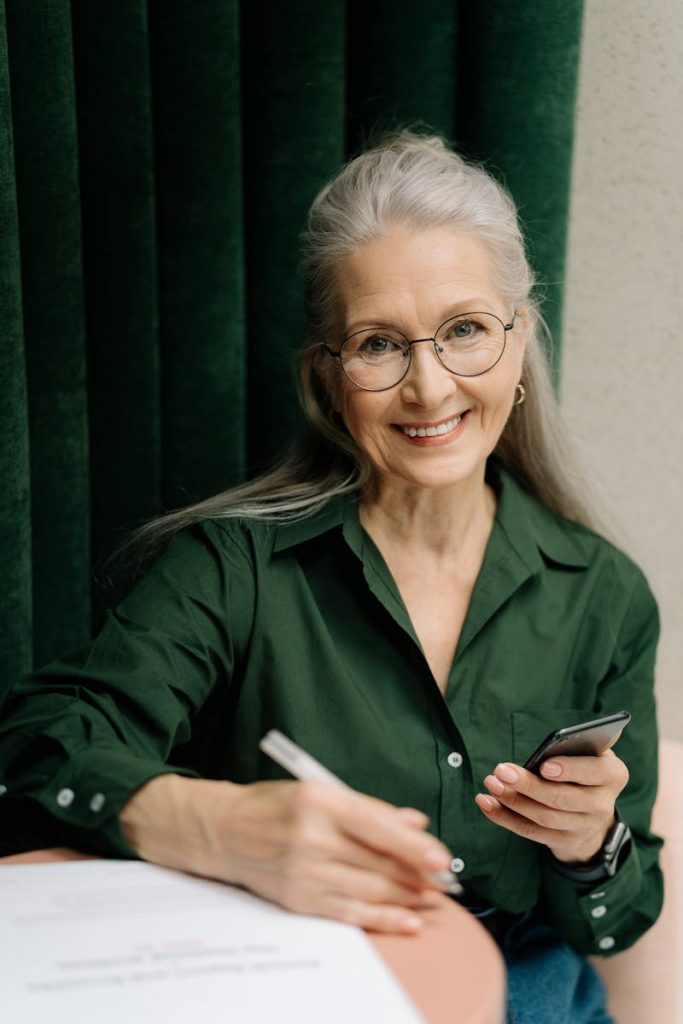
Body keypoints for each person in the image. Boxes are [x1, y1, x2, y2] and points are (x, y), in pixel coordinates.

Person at [0, 134, 662, 1023]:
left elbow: (616, 926)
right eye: (379, 344)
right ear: (328, 373)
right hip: (291, 983)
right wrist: (215, 827)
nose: (428, 388)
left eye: (465, 329)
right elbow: (37, 746)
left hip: (527, 994)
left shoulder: (605, 593)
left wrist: (592, 849)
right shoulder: (231, 567)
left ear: (519, 340)